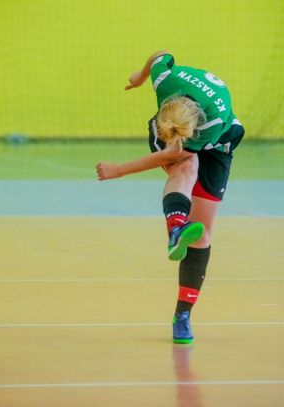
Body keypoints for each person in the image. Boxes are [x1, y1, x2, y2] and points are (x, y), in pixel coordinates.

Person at [96, 51, 244, 343]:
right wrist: (140, 77)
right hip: (178, 125)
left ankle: (182, 315)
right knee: (186, 169)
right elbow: (161, 55)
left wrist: (119, 170)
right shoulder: (165, 79)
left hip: (218, 144)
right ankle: (176, 227)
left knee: (202, 234)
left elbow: (174, 153)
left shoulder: (212, 122)